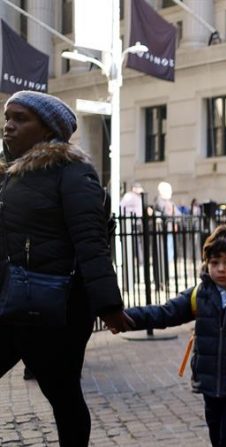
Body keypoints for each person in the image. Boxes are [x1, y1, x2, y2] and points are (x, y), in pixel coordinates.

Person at [0, 91, 130, 446]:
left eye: (20, 118)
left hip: (57, 310)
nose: (8, 126)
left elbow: (91, 243)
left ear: (47, 130)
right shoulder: (9, 175)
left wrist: (108, 304)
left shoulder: (74, 174)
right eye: (7, 117)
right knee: (63, 394)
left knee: (63, 396)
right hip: (9, 302)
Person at [121, 224, 226, 447]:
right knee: (217, 436)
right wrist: (127, 319)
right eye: (215, 262)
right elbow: (166, 312)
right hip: (209, 380)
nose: (220, 269)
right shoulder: (201, 293)